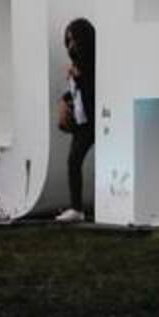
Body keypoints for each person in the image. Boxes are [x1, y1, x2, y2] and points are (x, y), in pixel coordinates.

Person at [55, 18, 95, 223]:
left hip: (96, 121)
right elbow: (76, 94)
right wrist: (65, 100)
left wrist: (78, 78)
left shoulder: (94, 63)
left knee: (75, 160)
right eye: (68, 41)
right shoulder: (76, 67)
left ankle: (79, 207)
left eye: (74, 40)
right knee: (73, 161)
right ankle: (76, 207)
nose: (71, 46)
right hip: (83, 122)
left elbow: (93, 93)